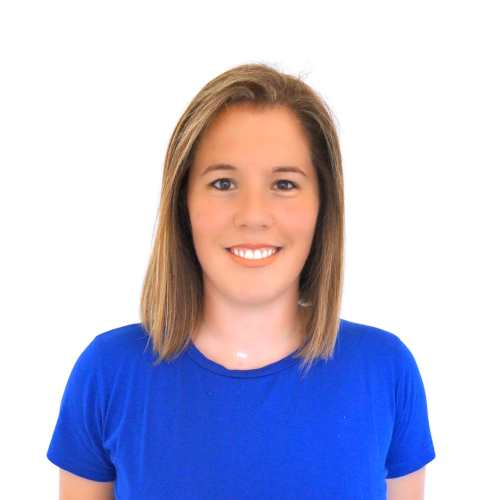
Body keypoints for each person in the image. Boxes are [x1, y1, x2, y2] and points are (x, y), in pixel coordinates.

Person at [47, 57, 436, 499]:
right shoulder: (106, 373)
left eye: (284, 184)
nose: (253, 215)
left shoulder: (386, 370)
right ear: (182, 203)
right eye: (223, 183)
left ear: (322, 206)